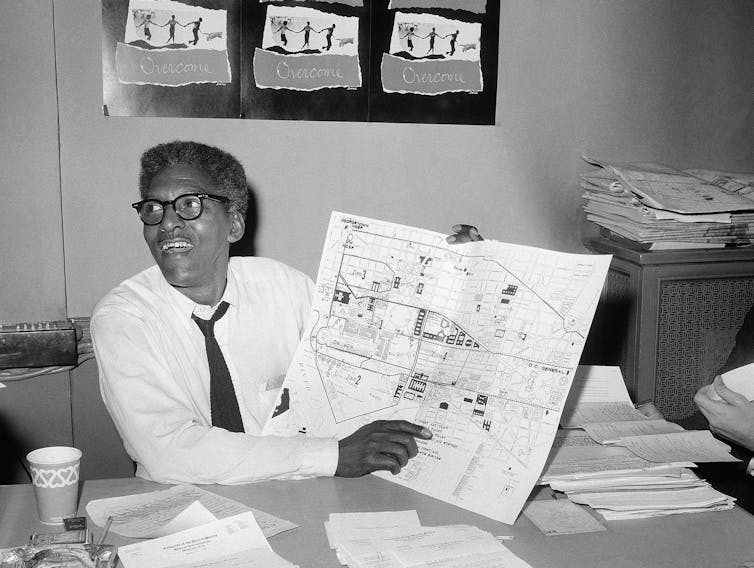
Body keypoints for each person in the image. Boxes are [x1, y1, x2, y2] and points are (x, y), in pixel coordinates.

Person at [91, 140, 482, 485]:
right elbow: (169, 452)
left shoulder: (285, 288)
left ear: (234, 225)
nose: (168, 223)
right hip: (181, 507)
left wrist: (466, 280)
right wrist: (332, 456)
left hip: (293, 494)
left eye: (189, 205)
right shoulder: (124, 317)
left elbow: (380, 357)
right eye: (153, 209)